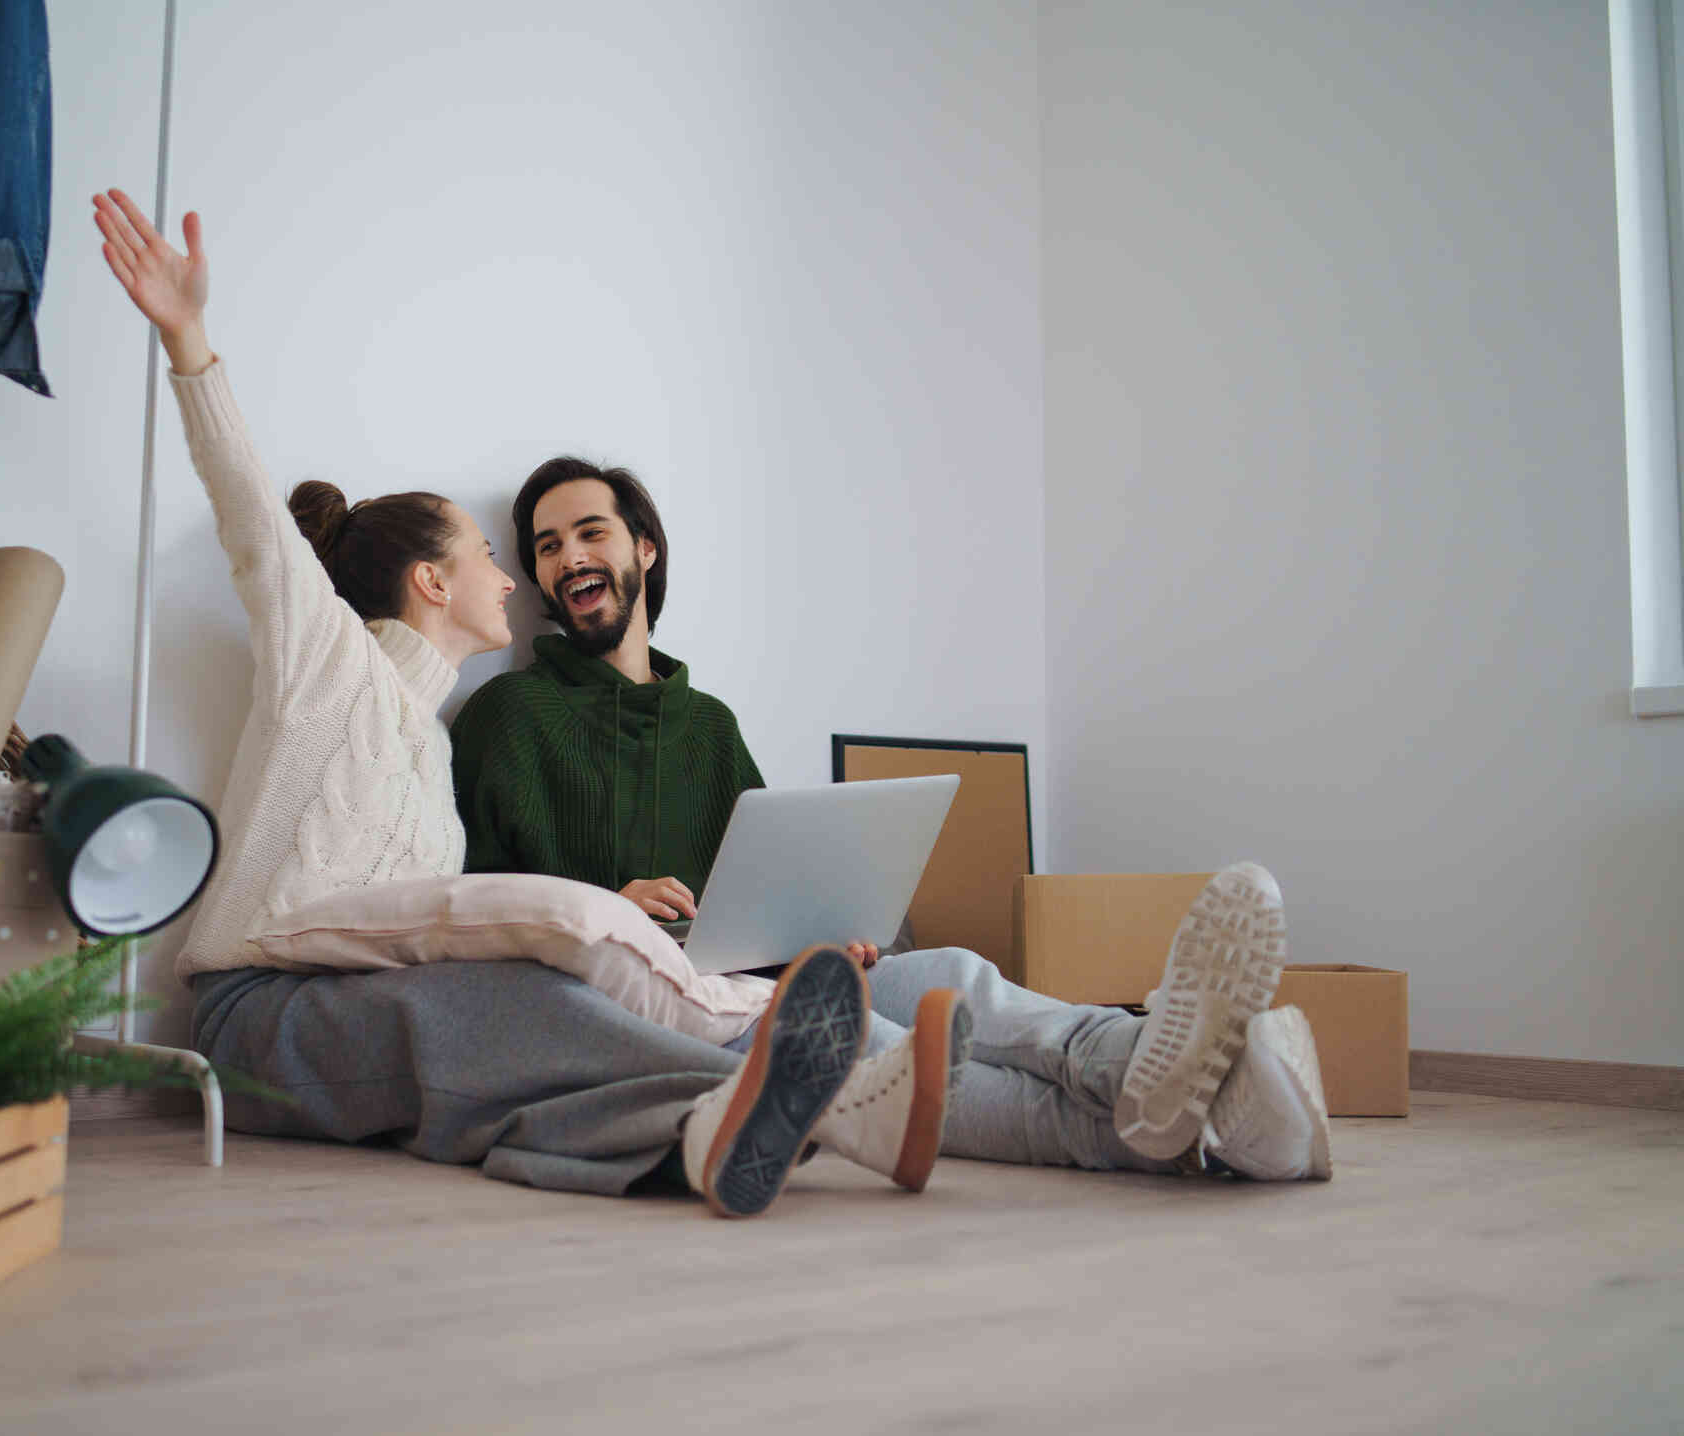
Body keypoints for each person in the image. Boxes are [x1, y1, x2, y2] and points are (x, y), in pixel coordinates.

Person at [91, 188, 970, 1218]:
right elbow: (249, 514)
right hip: (259, 1016)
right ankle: (802, 1099)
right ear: (428, 580)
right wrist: (189, 340)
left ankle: (704, 1134)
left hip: (372, 1006)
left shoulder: (432, 748)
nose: (514, 580)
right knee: (491, 1008)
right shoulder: (329, 666)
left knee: (518, 1022)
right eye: (485, 557)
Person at [449, 458, 1333, 1182]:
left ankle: (1153, 1056)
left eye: (588, 532)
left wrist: (823, 933)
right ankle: (1218, 1110)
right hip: (674, 1005)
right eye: (546, 547)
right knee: (891, 1053)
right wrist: (610, 904)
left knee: (954, 972)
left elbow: (761, 882)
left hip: (767, 977)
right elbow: (479, 909)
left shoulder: (707, 725)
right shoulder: (508, 716)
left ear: (644, 548)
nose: (566, 560)